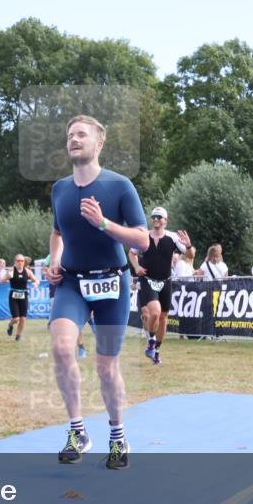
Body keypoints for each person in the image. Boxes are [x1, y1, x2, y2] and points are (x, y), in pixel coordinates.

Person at [46, 115, 148, 470]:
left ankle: (118, 436)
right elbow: (57, 232)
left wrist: (103, 223)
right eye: (70, 135)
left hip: (112, 284)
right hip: (72, 282)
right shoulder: (60, 189)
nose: (74, 140)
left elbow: (142, 240)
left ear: (99, 143)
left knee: (106, 368)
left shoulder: (120, 186)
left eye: (82, 135)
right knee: (62, 348)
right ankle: (77, 432)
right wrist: (54, 261)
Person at [128, 206, 190, 366]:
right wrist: (137, 267)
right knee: (154, 313)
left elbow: (190, 255)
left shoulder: (173, 237)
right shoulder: (144, 236)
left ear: (165, 220)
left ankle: (156, 350)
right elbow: (132, 253)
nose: (156, 219)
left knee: (163, 318)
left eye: (159, 217)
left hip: (166, 281)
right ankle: (151, 341)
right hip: (147, 280)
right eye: (153, 217)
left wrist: (189, 246)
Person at [2, 254, 39, 342]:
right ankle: (10, 325)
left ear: (24, 262)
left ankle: (18, 337)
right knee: (16, 319)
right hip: (13, 297)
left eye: (22, 261)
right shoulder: (11, 270)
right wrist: (7, 277)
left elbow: (36, 280)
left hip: (23, 296)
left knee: (23, 319)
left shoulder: (27, 271)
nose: (20, 262)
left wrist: (35, 284)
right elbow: (2, 282)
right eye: (18, 261)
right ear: (15, 262)